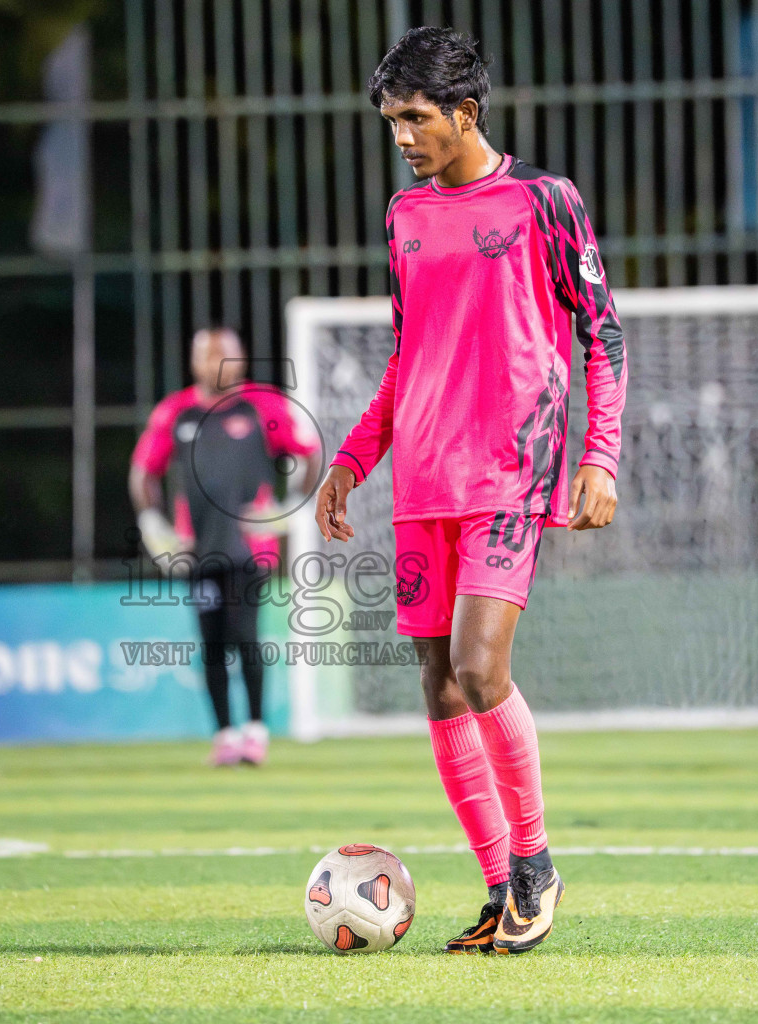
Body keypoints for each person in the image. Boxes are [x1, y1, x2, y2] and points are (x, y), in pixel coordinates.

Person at [313, 28, 627, 955]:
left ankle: (536, 866)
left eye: (415, 118)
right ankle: (498, 887)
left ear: (465, 114)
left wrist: (599, 457)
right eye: (390, 121)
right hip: (421, 479)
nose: (403, 136)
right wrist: (352, 460)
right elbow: (408, 354)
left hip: (510, 470)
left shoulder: (544, 201)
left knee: (482, 668)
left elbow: (602, 335)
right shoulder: (405, 217)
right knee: (442, 687)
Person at [130, 327, 321, 766]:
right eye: (209, 354)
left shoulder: (264, 405)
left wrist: (289, 508)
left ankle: (255, 732)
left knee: (245, 635)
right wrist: (152, 523)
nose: (220, 362)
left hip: (250, 548)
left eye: (228, 353)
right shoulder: (175, 413)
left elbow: (309, 454)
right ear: (194, 361)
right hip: (196, 549)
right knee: (211, 642)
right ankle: (224, 736)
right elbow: (143, 472)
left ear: (242, 358)